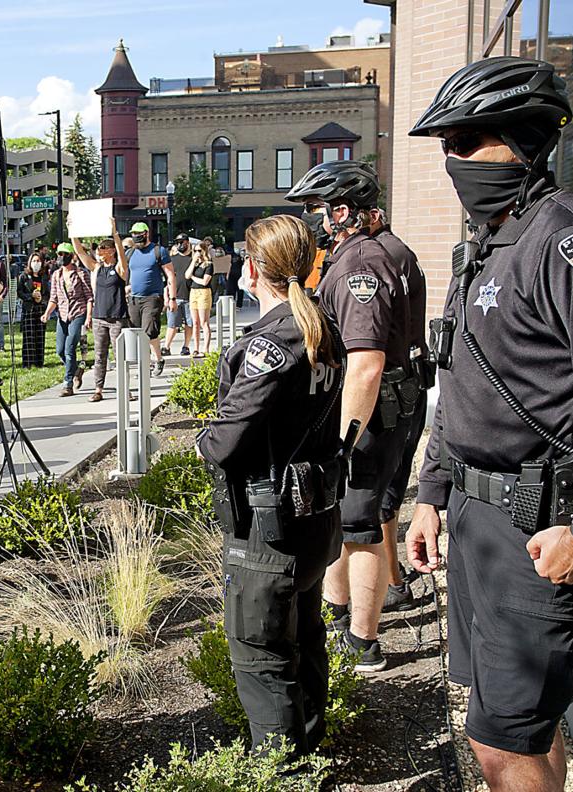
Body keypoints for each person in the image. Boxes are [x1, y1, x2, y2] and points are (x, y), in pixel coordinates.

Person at [404, 57, 573, 792]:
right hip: (477, 519)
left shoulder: (572, 240)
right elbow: (463, 386)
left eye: (463, 141)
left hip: (540, 527)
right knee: (521, 726)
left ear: (519, 140)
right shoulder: (487, 245)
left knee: (500, 746)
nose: (450, 158)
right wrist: (432, 492)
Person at [197, 214, 344, 755]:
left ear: (254, 269)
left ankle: (283, 772)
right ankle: (311, 758)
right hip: (307, 520)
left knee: (261, 659)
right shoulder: (320, 325)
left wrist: (202, 445)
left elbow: (226, 438)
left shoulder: (271, 341)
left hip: (268, 529)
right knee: (303, 642)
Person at [286, 159, 417, 672]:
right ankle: (340, 614)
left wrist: (343, 442)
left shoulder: (361, 264)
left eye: (320, 211)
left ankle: (363, 643)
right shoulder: (373, 253)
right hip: (385, 409)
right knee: (349, 518)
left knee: (360, 526)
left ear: (343, 211)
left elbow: (365, 364)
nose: (317, 222)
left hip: (371, 415)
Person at [365, 207, 429, 611]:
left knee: (381, 496)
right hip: (405, 383)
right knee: (382, 494)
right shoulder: (391, 250)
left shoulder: (384, 254)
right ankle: (391, 580)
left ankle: (394, 582)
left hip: (395, 387)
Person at [72, 225, 128, 403]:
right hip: (99, 317)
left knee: (120, 356)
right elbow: (80, 252)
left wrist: (115, 233)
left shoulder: (120, 269)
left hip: (117, 318)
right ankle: (98, 389)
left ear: (111, 251)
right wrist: (72, 231)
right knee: (99, 355)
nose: (100, 250)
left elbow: (122, 254)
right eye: (99, 248)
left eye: (104, 248)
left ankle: (125, 389)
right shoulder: (97, 268)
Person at [42, 242, 92, 397]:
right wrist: (47, 313)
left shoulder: (81, 274)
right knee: (60, 350)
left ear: (72, 256)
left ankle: (67, 383)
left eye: (64, 254)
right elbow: (54, 298)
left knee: (70, 348)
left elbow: (89, 296)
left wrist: (88, 316)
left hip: (78, 313)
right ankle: (76, 369)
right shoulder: (56, 274)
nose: (61, 257)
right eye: (59, 254)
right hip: (62, 315)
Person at [125, 222, 174, 376]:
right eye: (133, 234)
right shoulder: (130, 253)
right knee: (137, 333)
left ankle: (152, 362)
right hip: (133, 299)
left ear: (146, 233)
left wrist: (172, 298)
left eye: (138, 234)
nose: (136, 237)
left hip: (152, 297)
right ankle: (151, 362)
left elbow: (170, 275)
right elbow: (127, 274)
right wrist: (127, 286)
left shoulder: (159, 251)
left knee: (149, 331)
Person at [163, 233, 193, 357]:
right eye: (178, 242)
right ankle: (166, 346)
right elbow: (167, 282)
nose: (180, 244)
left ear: (188, 242)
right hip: (175, 297)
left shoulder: (192, 259)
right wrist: (167, 297)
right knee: (172, 324)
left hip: (190, 297)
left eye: (183, 242)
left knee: (189, 323)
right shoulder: (172, 260)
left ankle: (186, 346)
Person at [17, 252, 49, 368]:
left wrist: (42, 299)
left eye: (38, 261)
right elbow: (20, 292)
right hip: (29, 309)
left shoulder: (44, 277)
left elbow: (48, 293)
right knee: (29, 337)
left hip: (40, 309)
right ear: (30, 263)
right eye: (34, 261)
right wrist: (31, 296)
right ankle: (28, 362)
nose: (36, 263)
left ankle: (39, 362)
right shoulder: (24, 276)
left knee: (40, 335)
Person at [187, 238, 215, 356]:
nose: (197, 252)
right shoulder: (195, 263)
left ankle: (206, 348)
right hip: (193, 291)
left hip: (204, 292)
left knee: (204, 321)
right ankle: (196, 348)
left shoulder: (209, 265)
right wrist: (193, 262)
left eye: (199, 250)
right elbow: (187, 275)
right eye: (195, 250)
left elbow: (205, 281)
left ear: (204, 251)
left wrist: (193, 277)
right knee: (195, 322)